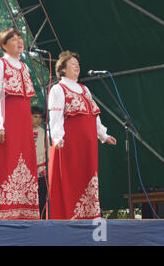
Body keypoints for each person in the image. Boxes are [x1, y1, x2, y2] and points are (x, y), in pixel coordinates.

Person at [0, 28, 40, 220]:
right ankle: (1, 210)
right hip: (6, 121)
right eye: (13, 39)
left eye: (20, 38)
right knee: (6, 161)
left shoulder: (25, 67)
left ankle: (22, 210)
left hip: (23, 123)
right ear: (4, 44)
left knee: (23, 161)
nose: (19, 41)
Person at [48, 50, 116, 220]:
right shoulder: (58, 89)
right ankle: (70, 216)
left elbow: (94, 115)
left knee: (88, 177)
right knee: (72, 178)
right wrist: (57, 137)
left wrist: (103, 135)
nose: (77, 66)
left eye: (77, 64)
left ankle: (89, 217)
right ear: (62, 69)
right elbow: (55, 116)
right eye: (72, 64)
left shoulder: (84, 89)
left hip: (88, 144)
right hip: (70, 143)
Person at [31, 106, 48, 218]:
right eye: (35, 116)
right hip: (28, 170)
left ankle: (41, 220)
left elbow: (49, 153)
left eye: (40, 117)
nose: (38, 119)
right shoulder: (23, 131)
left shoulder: (44, 133)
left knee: (42, 198)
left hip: (41, 170)